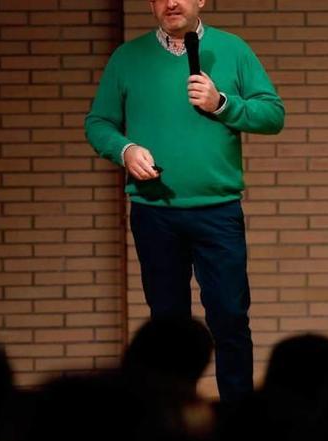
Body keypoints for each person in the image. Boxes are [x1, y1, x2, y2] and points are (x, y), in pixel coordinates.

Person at [84, 0, 285, 402]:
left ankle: (237, 415)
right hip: (155, 212)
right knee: (167, 326)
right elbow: (99, 122)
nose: (171, 2)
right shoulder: (128, 57)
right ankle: (172, 415)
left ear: (201, 0)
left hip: (218, 210)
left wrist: (222, 103)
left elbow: (273, 115)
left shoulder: (232, 49)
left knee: (229, 318)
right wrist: (124, 150)